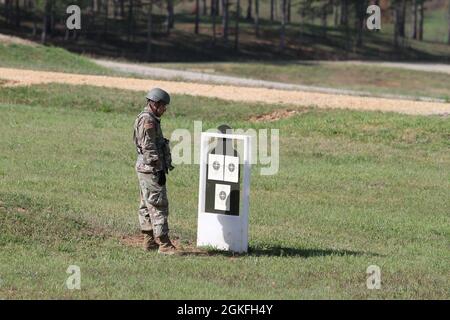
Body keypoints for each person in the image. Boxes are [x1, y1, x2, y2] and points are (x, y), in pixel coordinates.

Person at [133, 88, 177, 255]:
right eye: (164, 106)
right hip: (151, 168)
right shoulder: (148, 121)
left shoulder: (149, 118)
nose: (165, 109)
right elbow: (149, 147)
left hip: (146, 168)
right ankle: (164, 244)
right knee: (158, 204)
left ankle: (148, 240)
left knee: (146, 203)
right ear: (156, 104)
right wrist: (158, 168)